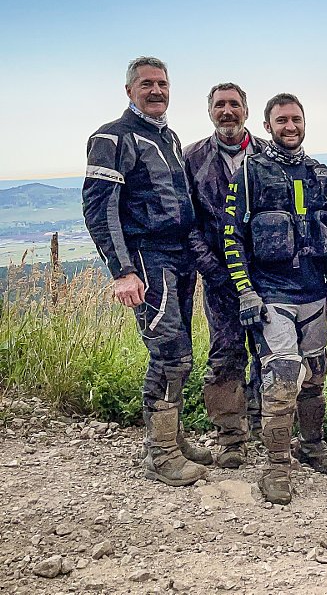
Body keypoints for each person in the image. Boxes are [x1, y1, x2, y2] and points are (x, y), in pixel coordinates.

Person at [83, 56, 210, 486]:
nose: (157, 91)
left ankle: (170, 437)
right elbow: (99, 209)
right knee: (170, 354)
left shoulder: (168, 137)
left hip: (179, 258)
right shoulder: (111, 137)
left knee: (182, 352)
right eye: (147, 84)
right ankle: (160, 454)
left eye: (162, 84)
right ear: (129, 91)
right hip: (145, 258)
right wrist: (122, 271)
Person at [225, 93, 327, 505]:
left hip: (313, 291)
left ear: (305, 122)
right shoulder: (250, 171)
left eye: (296, 119)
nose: (290, 127)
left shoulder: (318, 172)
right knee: (282, 378)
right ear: (268, 126)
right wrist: (245, 290)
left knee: (315, 375)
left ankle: (312, 446)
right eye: (282, 120)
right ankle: (276, 467)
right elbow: (232, 236)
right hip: (272, 293)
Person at [183, 82, 266, 467]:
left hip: (267, 275)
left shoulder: (267, 153)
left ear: (246, 110)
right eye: (220, 105)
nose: (227, 111)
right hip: (219, 276)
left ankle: (267, 427)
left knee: (270, 352)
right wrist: (214, 271)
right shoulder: (192, 158)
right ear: (210, 111)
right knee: (226, 355)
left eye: (234, 104)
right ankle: (231, 437)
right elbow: (187, 222)